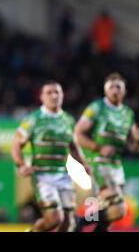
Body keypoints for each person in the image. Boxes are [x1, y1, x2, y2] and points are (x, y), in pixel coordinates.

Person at [11, 81, 90, 232]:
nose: (54, 95)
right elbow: (16, 144)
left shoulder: (68, 119)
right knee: (54, 218)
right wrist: (21, 164)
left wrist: (85, 165)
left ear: (62, 95)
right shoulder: (34, 119)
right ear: (41, 97)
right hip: (42, 176)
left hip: (63, 175)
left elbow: (73, 148)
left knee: (68, 223)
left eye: (57, 92)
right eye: (49, 92)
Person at [74, 73, 139, 232]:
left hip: (116, 166)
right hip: (98, 162)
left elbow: (134, 148)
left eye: (118, 86)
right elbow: (78, 133)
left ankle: (81, 223)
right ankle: (79, 222)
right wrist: (97, 148)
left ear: (124, 91)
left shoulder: (128, 114)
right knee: (118, 207)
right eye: (111, 86)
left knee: (115, 213)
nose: (115, 90)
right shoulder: (97, 107)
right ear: (105, 90)